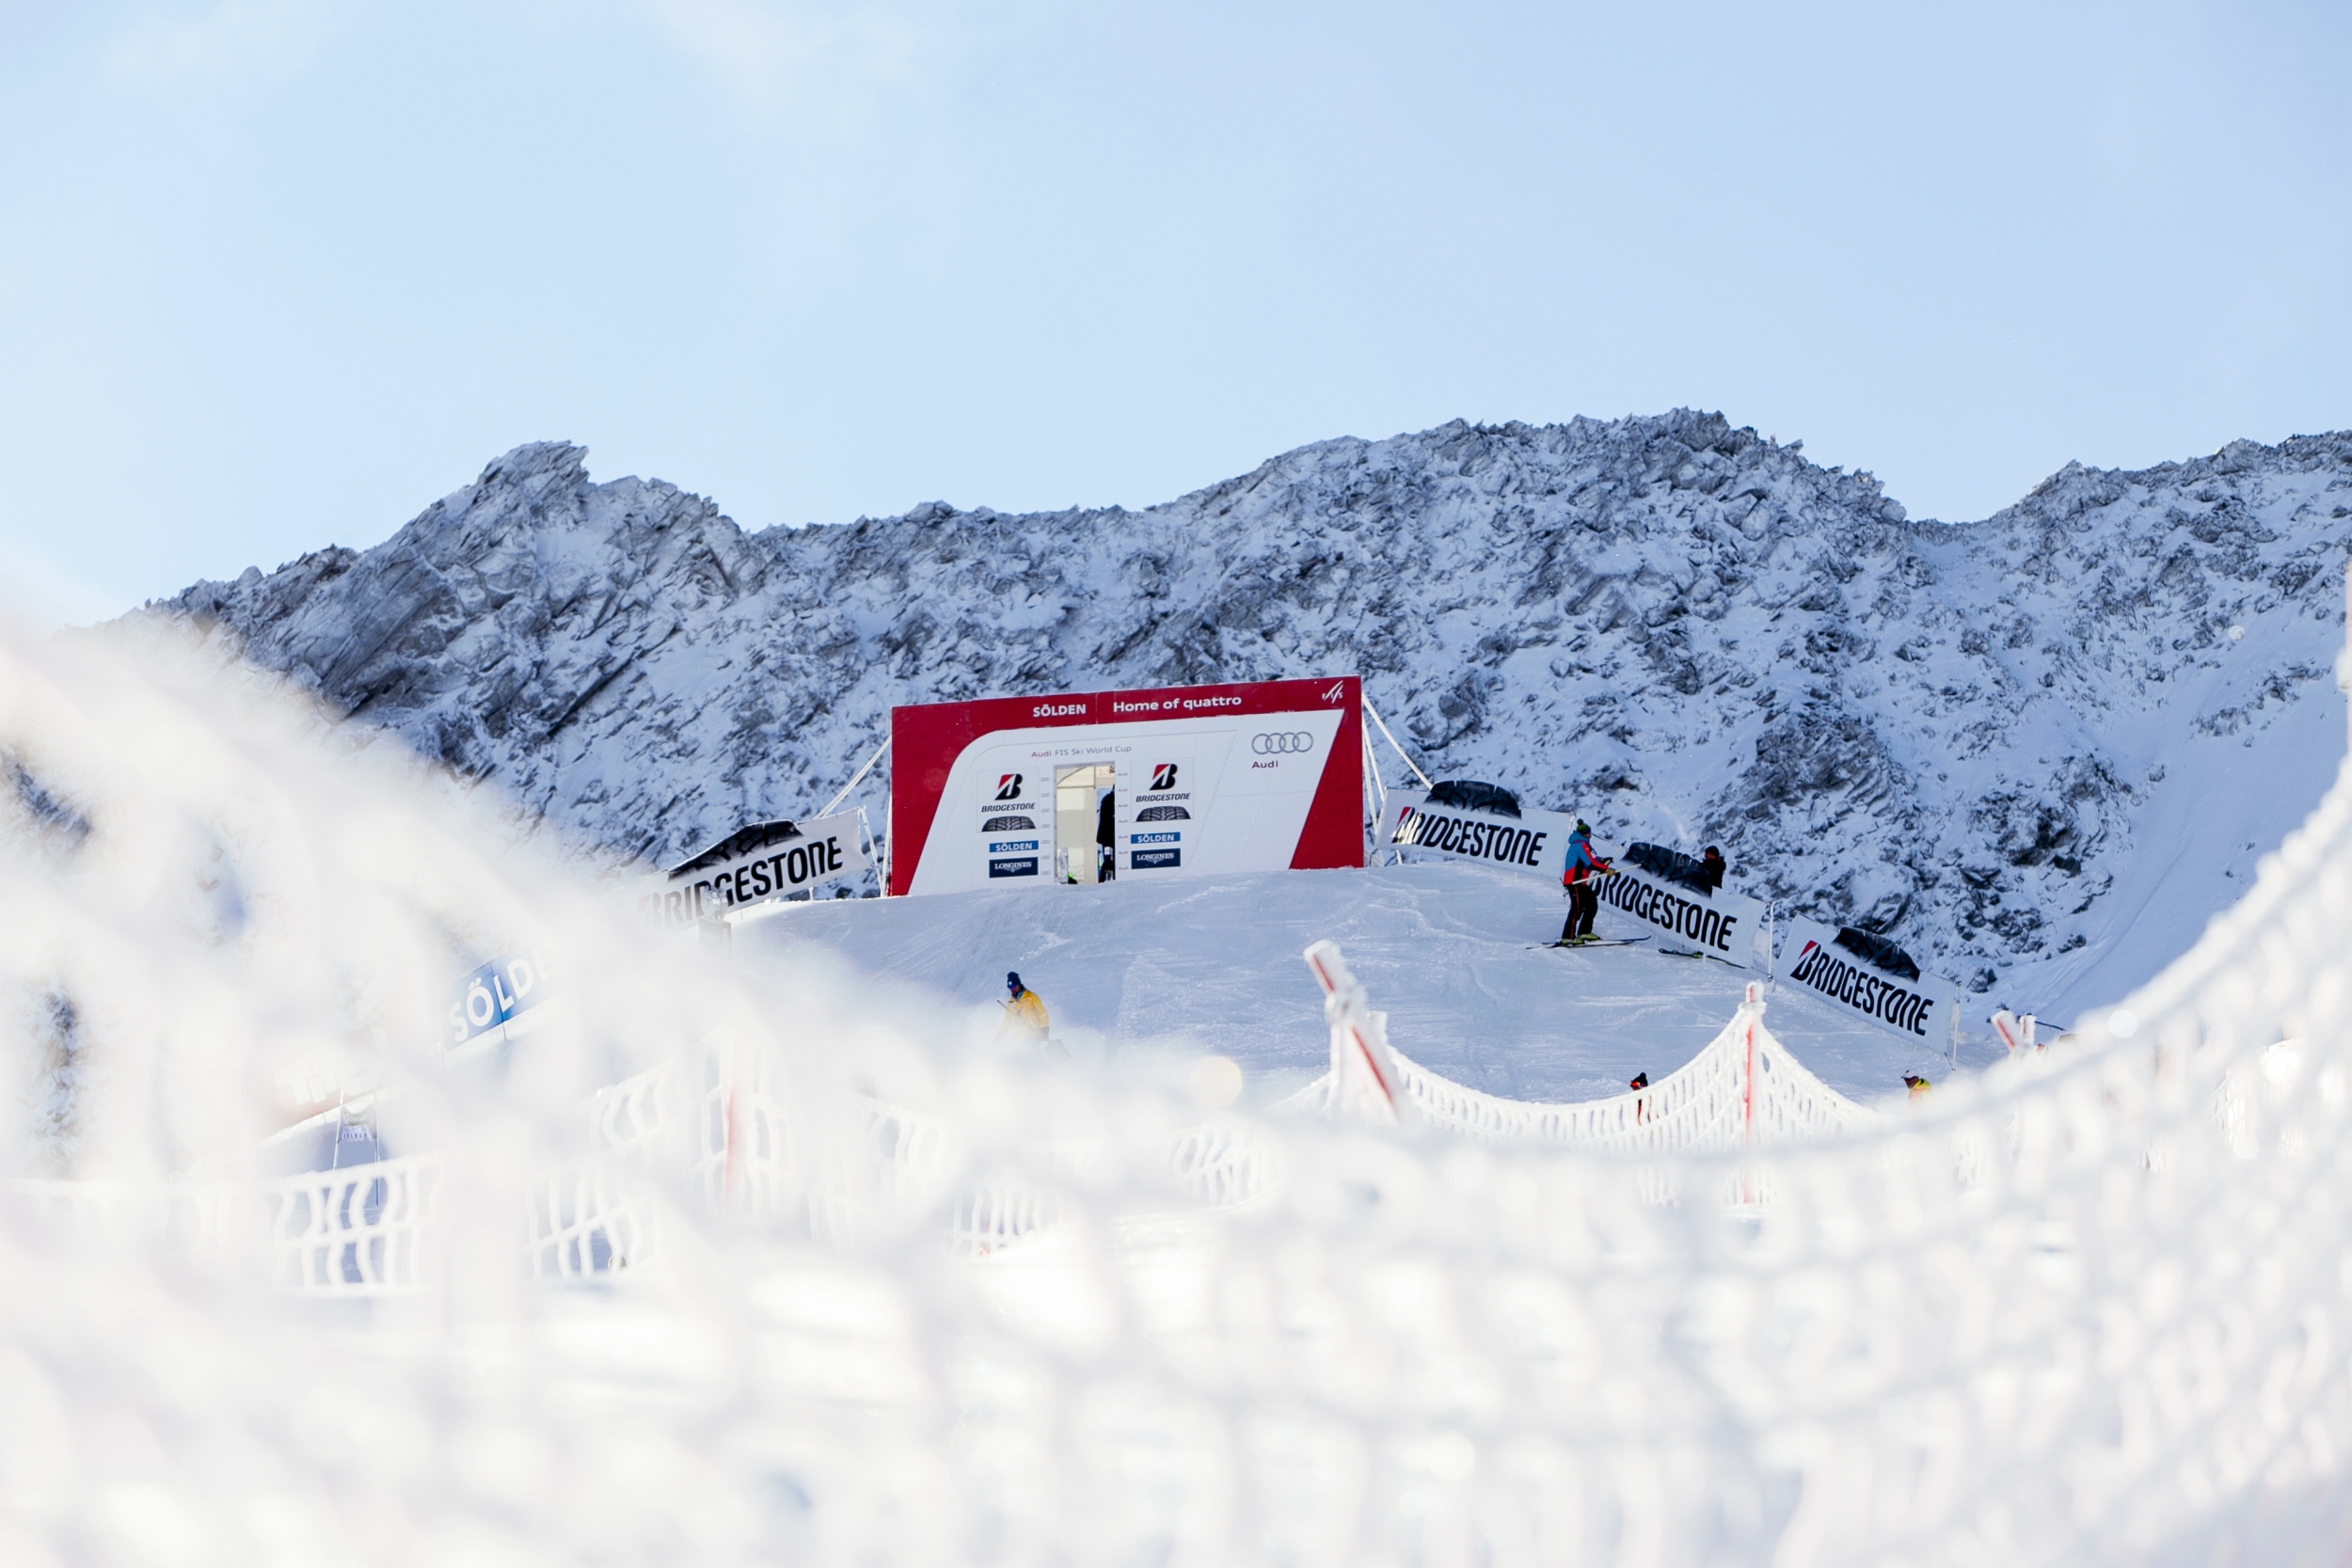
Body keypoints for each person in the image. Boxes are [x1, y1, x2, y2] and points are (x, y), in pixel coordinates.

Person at [1558, 820, 1613, 943]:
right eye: (1588, 834)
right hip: (1574, 881)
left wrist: (1602, 860)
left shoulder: (1581, 844)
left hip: (1581, 881)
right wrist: (1606, 869)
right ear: (1583, 834)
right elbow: (1590, 863)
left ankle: (1584, 932)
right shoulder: (1580, 845)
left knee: (1591, 904)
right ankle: (1568, 937)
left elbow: (1588, 861)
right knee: (1577, 908)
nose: (1590, 836)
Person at [995, 972, 1049, 1046]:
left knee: (1031, 1055)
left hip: (1033, 1035)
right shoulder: (1010, 1004)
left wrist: (1044, 1029)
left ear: (1018, 985)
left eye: (1013, 986)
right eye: (1010, 987)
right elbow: (1007, 1022)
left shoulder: (1031, 998)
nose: (1012, 989)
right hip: (1020, 1038)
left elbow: (1042, 1014)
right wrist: (999, 1036)